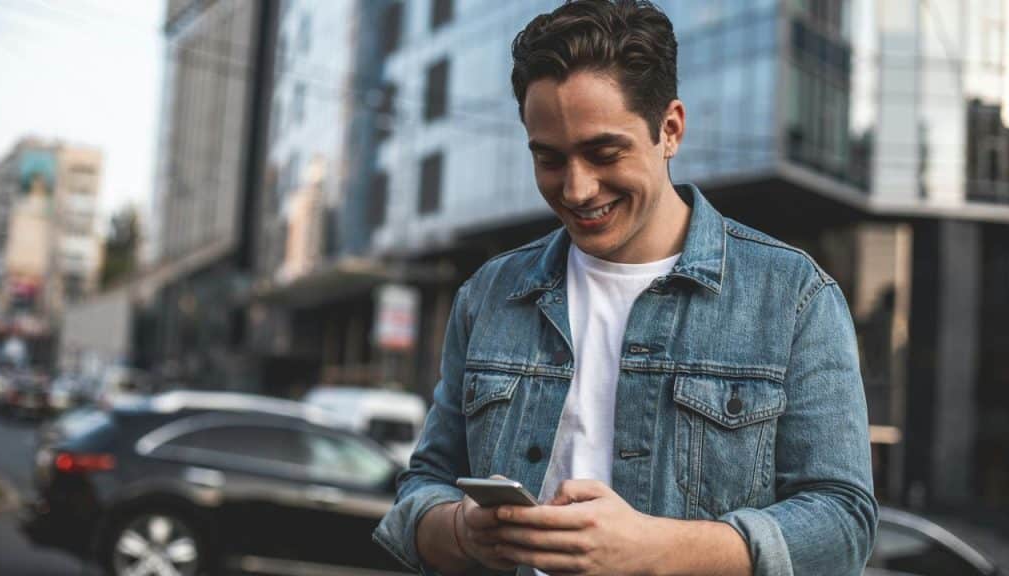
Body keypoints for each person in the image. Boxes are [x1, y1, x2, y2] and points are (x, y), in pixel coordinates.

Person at [373, 1, 878, 574]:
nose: (578, 188)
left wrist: (655, 549)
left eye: (603, 153)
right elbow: (420, 494)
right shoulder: (489, 295)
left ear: (670, 130)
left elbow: (843, 526)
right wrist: (464, 530)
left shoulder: (793, 297)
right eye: (549, 159)